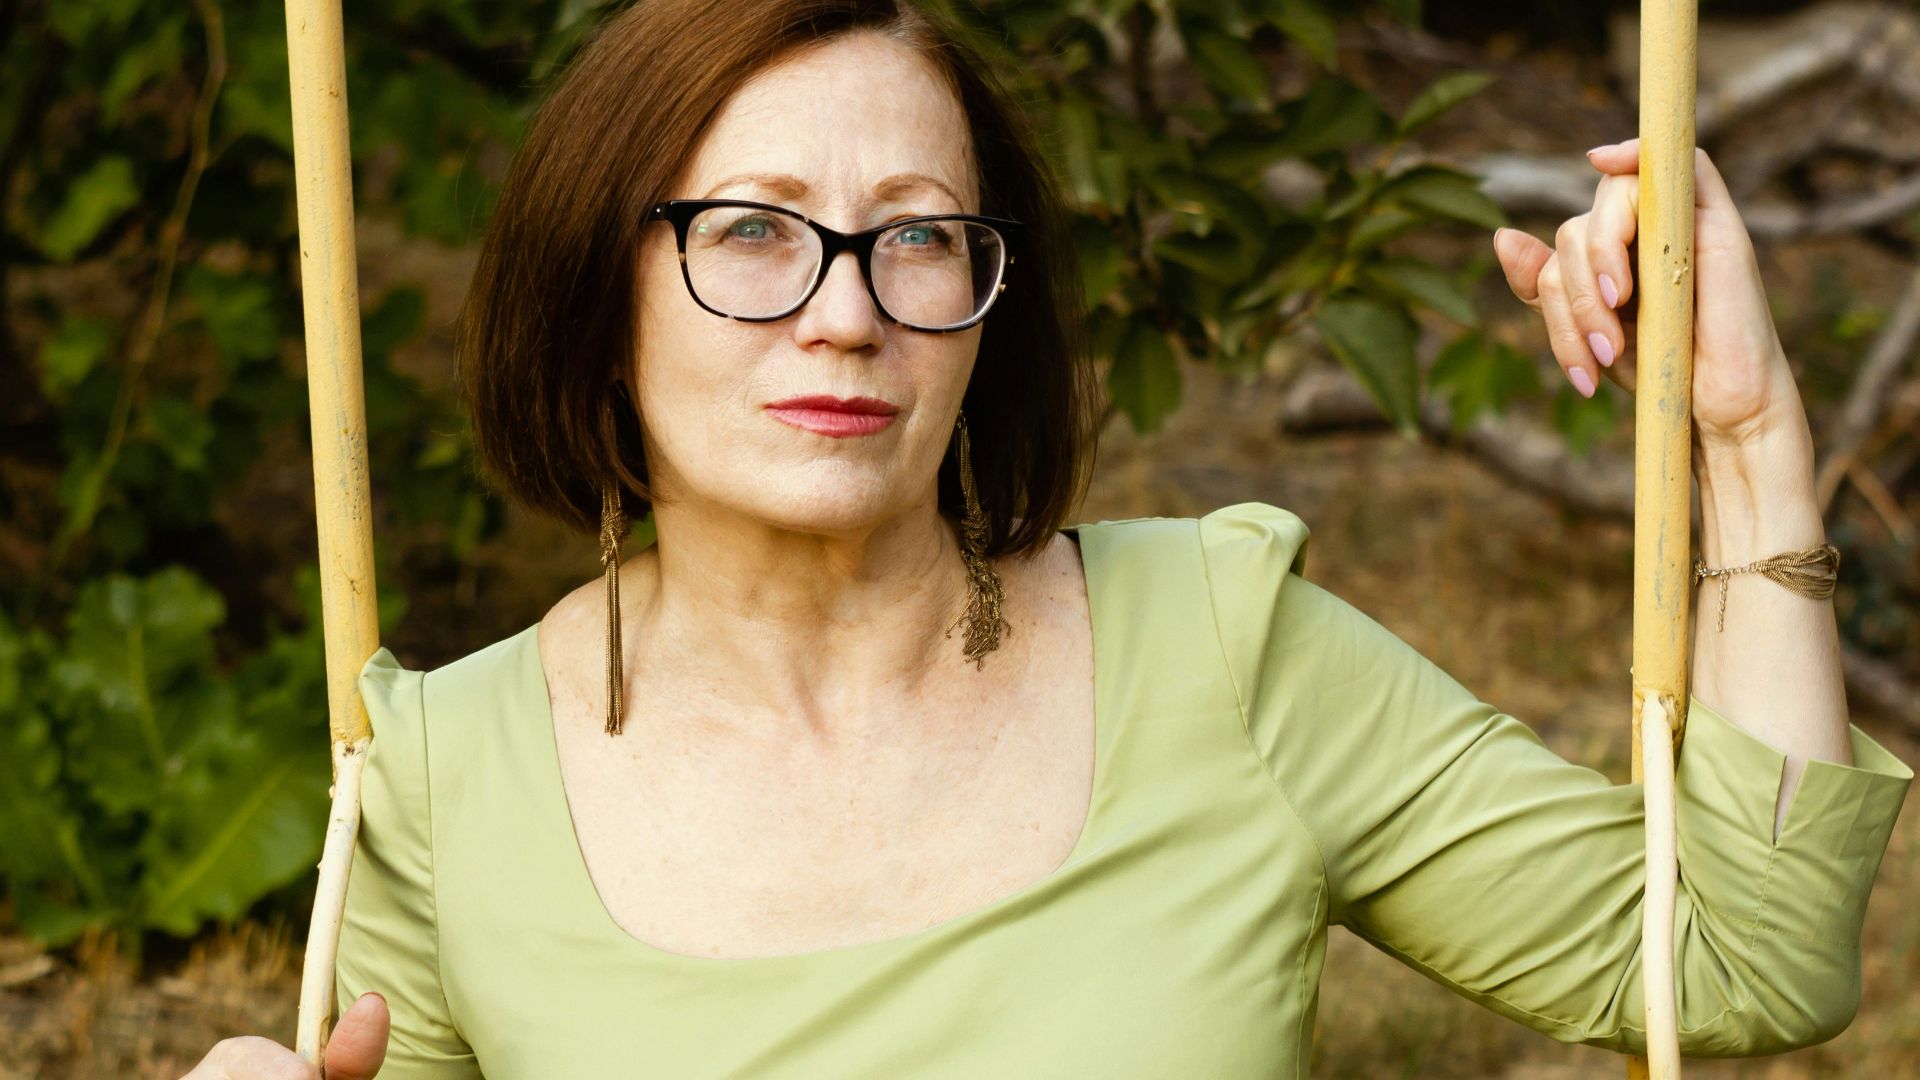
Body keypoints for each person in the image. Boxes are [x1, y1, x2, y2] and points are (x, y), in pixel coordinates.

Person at [183, 0, 1912, 1077]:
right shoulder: (437, 774)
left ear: (984, 308)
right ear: (597, 293)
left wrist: (1747, 443)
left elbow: (1737, 962)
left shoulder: (1220, 648)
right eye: (752, 232)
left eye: (917, 239)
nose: (843, 317)